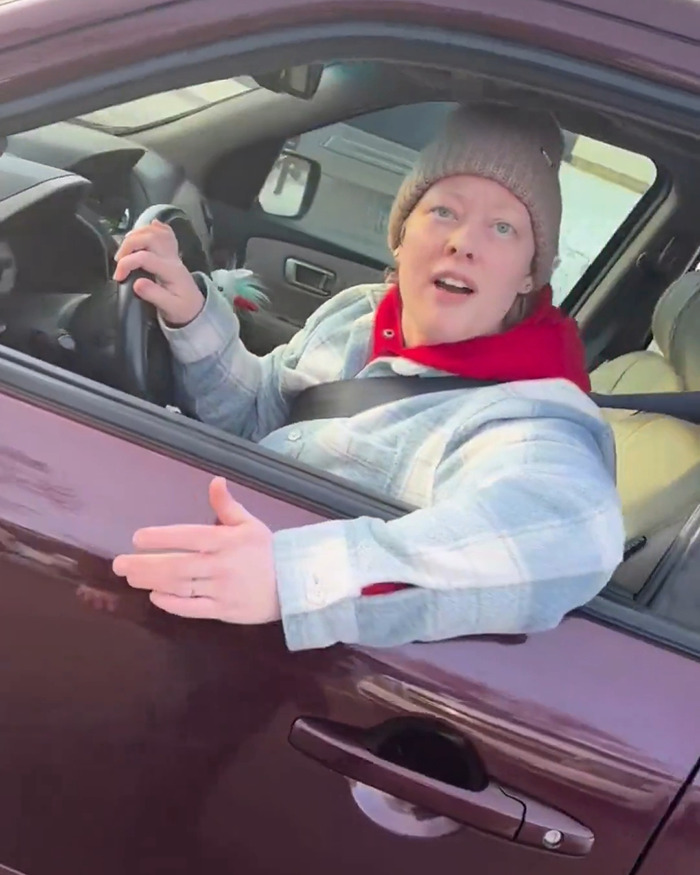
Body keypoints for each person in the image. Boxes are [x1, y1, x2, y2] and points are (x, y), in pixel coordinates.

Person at [111, 103, 625, 651]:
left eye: (503, 228)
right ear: (401, 235)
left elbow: (571, 535)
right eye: (444, 211)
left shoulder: (526, 415)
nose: (463, 243)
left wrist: (295, 579)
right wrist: (193, 316)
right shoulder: (359, 313)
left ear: (529, 274)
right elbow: (259, 416)